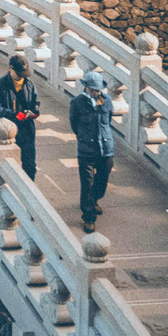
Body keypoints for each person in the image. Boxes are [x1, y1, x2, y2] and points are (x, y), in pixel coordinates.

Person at [69, 70, 116, 233]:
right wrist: (84, 137)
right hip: (86, 149)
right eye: (93, 90)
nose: (96, 92)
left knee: (103, 177)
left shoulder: (107, 100)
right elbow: (74, 124)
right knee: (87, 183)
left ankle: (95, 199)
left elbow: (108, 120)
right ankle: (88, 217)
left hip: (105, 148)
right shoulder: (77, 103)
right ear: (86, 87)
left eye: (98, 90)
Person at [0, 55, 40, 180]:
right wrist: (14, 115)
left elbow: (35, 103)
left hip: (27, 130)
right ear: (10, 69)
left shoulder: (29, 84)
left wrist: (34, 112)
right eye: (18, 73)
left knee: (30, 165)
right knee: (10, 167)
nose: (21, 76)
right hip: (9, 131)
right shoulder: (0, 85)